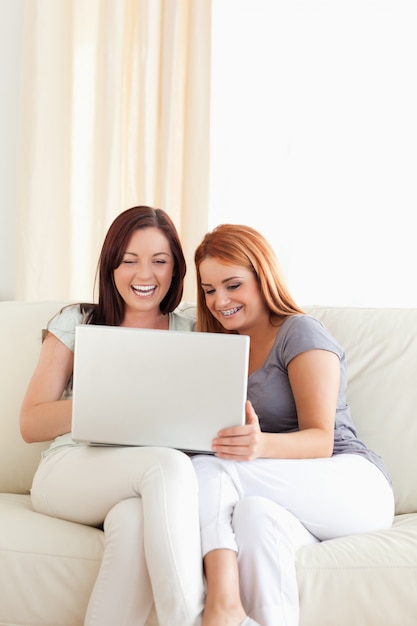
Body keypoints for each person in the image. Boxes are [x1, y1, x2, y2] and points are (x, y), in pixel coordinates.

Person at [191, 224, 395, 626]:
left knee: (208, 468)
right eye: (209, 290)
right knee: (253, 517)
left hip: (352, 484)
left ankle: (222, 604)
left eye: (233, 284)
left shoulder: (299, 332)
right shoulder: (213, 344)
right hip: (288, 500)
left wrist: (257, 445)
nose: (220, 300)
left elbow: (321, 439)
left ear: (262, 275)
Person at [20, 206, 205, 626]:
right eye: (130, 260)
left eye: (160, 261)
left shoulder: (193, 330)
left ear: (175, 269)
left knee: (134, 521)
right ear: (111, 265)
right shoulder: (78, 320)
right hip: (69, 470)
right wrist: (113, 402)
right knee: (168, 464)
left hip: (140, 486)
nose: (145, 275)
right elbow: (30, 423)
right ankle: (192, 619)